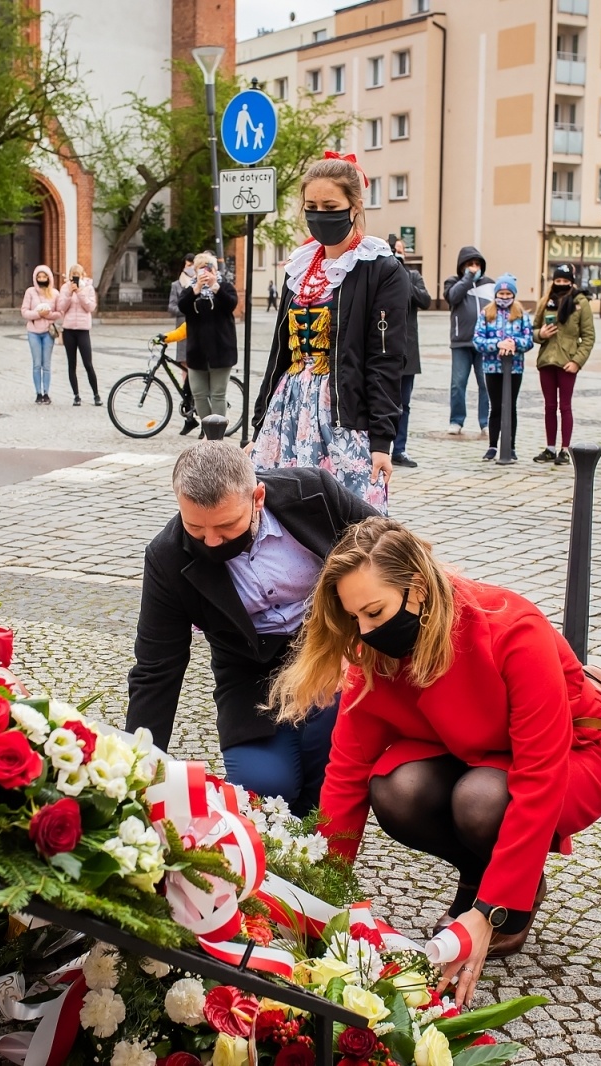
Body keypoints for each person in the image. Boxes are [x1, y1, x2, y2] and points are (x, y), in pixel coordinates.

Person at [271, 518, 601, 995]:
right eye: (354, 618)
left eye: (374, 611)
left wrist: (489, 913)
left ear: (418, 591)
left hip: (575, 752)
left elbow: (540, 777)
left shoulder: (511, 628)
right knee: (395, 789)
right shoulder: (376, 650)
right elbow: (347, 771)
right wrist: (319, 895)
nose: (365, 632)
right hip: (469, 746)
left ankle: (511, 895)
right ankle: (481, 872)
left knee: (481, 800)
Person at [126, 442, 380, 813]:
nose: (211, 541)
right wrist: (136, 765)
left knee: (328, 763)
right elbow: (156, 668)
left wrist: (356, 641)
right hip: (248, 675)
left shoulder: (314, 493)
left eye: (227, 526)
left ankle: (320, 849)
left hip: (329, 651)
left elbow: (387, 549)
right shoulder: (166, 558)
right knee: (262, 787)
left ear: (257, 497)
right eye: (195, 528)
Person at [252, 154, 409, 514]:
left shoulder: (381, 270)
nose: (320, 214)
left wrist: (383, 441)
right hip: (288, 408)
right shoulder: (301, 267)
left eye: (330, 205)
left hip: (343, 413)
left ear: (354, 206)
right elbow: (280, 354)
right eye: (312, 206)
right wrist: (259, 425)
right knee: (281, 512)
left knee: (349, 520)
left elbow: (385, 360)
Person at [530, 264, 595, 465]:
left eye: (565, 281)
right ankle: (550, 448)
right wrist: (540, 334)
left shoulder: (580, 302)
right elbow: (533, 329)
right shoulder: (544, 302)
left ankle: (564, 450)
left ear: (571, 282)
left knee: (564, 407)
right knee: (549, 406)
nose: (561, 285)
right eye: (557, 281)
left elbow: (589, 336)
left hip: (567, 362)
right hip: (547, 360)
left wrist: (577, 361)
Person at [471, 275, 533, 461]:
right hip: (492, 368)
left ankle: (510, 446)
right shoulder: (486, 313)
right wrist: (498, 344)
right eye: (501, 293)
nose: (504, 297)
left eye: (508, 293)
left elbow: (528, 340)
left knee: (510, 407)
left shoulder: (521, 314)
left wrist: (514, 343)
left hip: (514, 368)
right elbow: (478, 340)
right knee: (496, 407)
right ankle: (492, 446)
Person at [179, 252, 239, 421]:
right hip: (196, 352)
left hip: (221, 351)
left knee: (218, 395)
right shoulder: (190, 290)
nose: (204, 273)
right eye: (200, 269)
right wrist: (196, 289)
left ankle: (216, 437)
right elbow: (182, 306)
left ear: (214, 269)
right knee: (198, 394)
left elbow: (231, 304)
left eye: (207, 268)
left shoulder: (224, 287)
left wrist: (215, 287)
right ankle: (208, 431)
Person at [443, 246, 494, 437]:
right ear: (462, 266)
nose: (474, 268)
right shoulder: (453, 282)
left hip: (484, 343)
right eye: (470, 264)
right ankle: (456, 421)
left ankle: (485, 422)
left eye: (477, 264)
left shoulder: (489, 284)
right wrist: (467, 279)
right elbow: (453, 297)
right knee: (458, 383)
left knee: (486, 384)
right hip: (461, 342)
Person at [391, 238, 431, 469]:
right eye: (394, 251)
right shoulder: (379, 275)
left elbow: (424, 300)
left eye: (401, 251)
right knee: (381, 403)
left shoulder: (412, 276)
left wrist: (403, 274)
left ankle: (399, 449)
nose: (398, 254)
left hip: (407, 351)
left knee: (403, 405)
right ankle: (377, 448)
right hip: (384, 351)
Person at [55, 264, 100, 407]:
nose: (75, 276)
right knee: (71, 363)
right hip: (69, 329)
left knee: (88, 363)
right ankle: (76, 395)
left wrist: (79, 292)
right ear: (69, 275)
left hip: (83, 329)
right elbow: (61, 307)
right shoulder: (64, 288)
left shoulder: (88, 288)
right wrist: (69, 293)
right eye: (72, 273)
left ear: (83, 274)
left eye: (78, 273)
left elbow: (90, 307)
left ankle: (96, 394)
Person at [21, 264, 62, 404]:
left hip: (48, 332)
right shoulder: (30, 292)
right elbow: (24, 311)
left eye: (44, 276)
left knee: (47, 364)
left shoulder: (55, 293)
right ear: (35, 278)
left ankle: (47, 393)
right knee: (37, 364)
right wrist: (38, 314)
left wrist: (48, 315)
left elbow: (59, 312)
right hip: (33, 332)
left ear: (49, 277)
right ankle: (38, 393)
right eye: (39, 276)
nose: (42, 278)